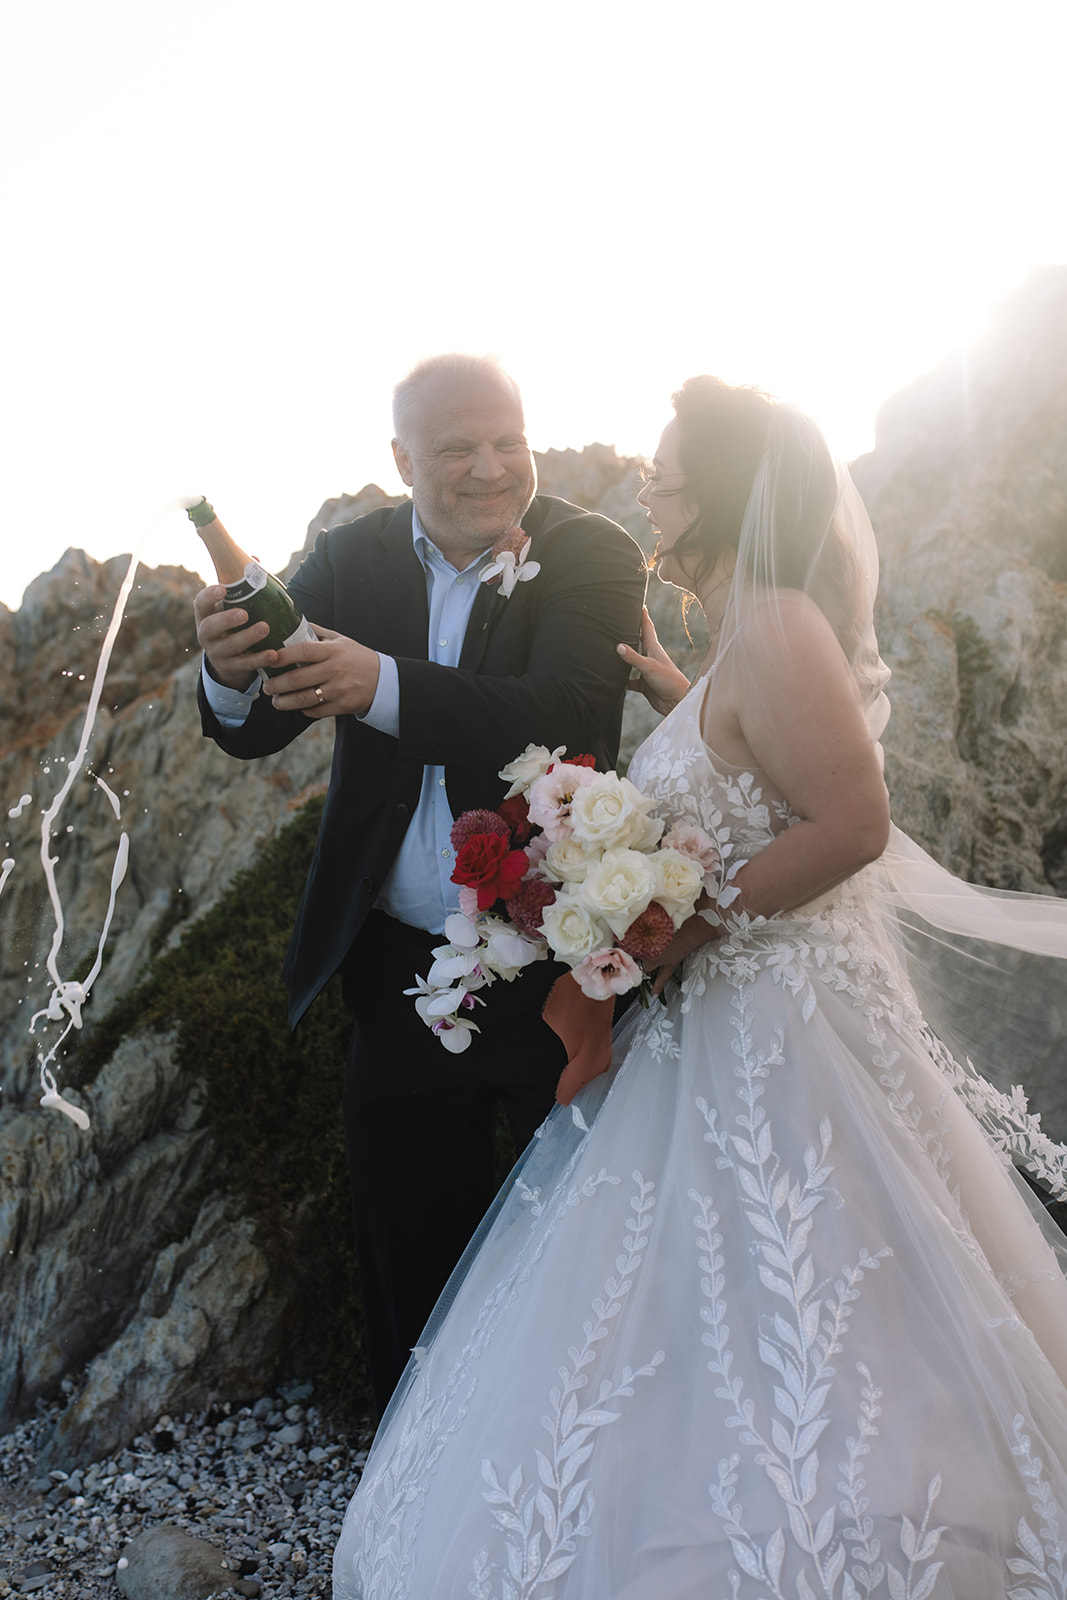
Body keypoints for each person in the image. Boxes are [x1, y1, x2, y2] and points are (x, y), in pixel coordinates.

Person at [333, 376, 1067, 1599]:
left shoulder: (776, 624)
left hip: (785, 1021)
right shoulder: (750, 638)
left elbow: (852, 823)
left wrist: (674, 926)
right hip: (724, 1018)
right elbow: (759, 773)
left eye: (670, 472)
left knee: (819, 1287)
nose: (652, 486)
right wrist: (688, 714)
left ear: (721, 491)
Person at [195, 354, 647, 1412]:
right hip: (395, 977)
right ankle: (416, 1508)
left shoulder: (588, 550)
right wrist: (222, 669)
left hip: (555, 968)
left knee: (582, 1254)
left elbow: (571, 707)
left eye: (510, 443)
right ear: (401, 460)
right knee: (409, 1263)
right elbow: (260, 724)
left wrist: (382, 685)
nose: (491, 469)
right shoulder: (350, 557)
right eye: (456, 450)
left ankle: (572, 1478)